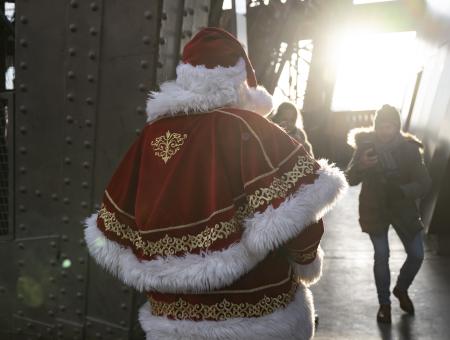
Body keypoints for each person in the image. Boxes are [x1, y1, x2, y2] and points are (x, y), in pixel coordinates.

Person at [84, 28, 347, 340]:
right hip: (256, 309)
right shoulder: (248, 128)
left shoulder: (150, 137)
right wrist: (306, 263)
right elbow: (302, 218)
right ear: (241, 79)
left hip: (172, 317)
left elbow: (110, 230)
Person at [346, 104, 431, 324]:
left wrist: (402, 191)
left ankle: (401, 289)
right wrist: (362, 165)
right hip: (375, 209)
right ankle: (384, 305)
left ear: (397, 127)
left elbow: (425, 183)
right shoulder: (365, 146)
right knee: (381, 256)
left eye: (390, 126)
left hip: (403, 209)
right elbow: (349, 178)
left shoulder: (410, 149)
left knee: (417, 255)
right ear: (376, 126)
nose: (385, 131)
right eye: (381, 126)